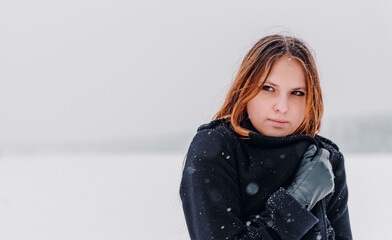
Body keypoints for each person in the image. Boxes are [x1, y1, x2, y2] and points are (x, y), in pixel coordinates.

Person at [179, 34, 352, 240]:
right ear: (245, 88)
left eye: (297, 93)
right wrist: (297, 202)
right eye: (268, 88)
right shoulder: (214, 149)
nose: (282, 107)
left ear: (311, 99)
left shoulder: (324, 158)